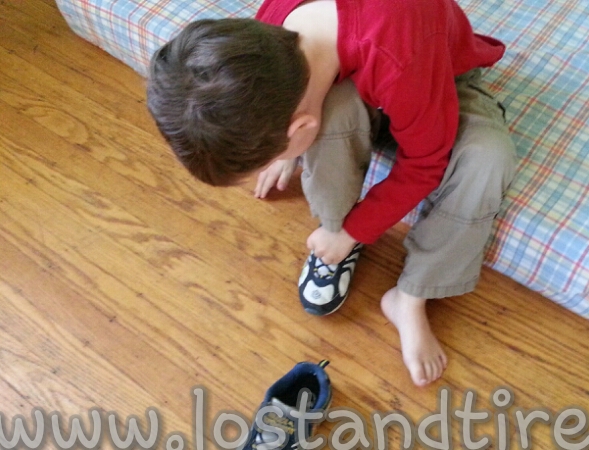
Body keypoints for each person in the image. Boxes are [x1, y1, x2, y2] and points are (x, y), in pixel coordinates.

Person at [146, 0, 516, 387]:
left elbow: (425, 163)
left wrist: (356, 230)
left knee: (486, 159)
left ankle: (409, 297)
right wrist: (283, 150)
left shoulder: (401, 54)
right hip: (362, 81)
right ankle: (333, 231)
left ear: (299, 127)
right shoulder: (265, 36)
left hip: (436, 75)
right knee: (335, 112)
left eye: (276, 152)